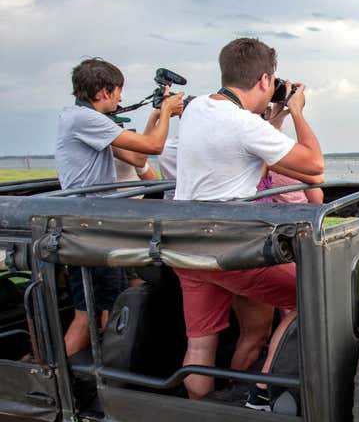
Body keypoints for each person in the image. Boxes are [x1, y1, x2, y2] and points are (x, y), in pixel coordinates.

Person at [173, 38, 324, 401]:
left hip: (184, 245)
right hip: (230, 248)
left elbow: (241, 147)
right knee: (311, 294)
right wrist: (297, 112)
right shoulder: (243, 124)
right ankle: (262, 393)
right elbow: (314, 166)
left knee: (200, 346)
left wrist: (275, 116)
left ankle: (198, 412)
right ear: (264, 80)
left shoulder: (197, 109)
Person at [55, 58, 183, 357]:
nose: (121, 98)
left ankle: (92, 368)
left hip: (94, 227)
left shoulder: (84, 119)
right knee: (92, 314)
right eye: (118, 92)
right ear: (104, 92)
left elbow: (138, 158)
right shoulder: (85, 120)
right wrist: (167, 111)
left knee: (102, 307)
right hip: (90, 229)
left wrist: (155, 117)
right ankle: (59, 379)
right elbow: (154, 147)